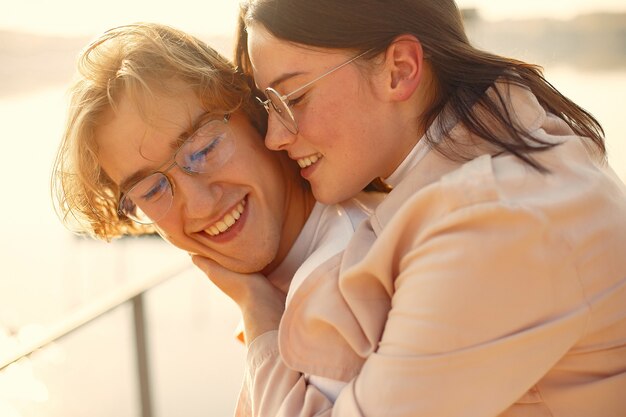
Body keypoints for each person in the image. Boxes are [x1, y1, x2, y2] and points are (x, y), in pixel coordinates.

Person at [193, 1, 626, 415]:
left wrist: (261, 319)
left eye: (294, 99)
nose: (275, 137)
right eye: (269, 105)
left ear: (399, 70)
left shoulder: (493, 228)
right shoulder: (514, 152)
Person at [52, 22, 383, 400]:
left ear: (256, 115)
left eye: (205, 149)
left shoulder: (345, 276)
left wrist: (257, 312)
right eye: (152, 189)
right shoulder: (298, 275)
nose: (201, 204)